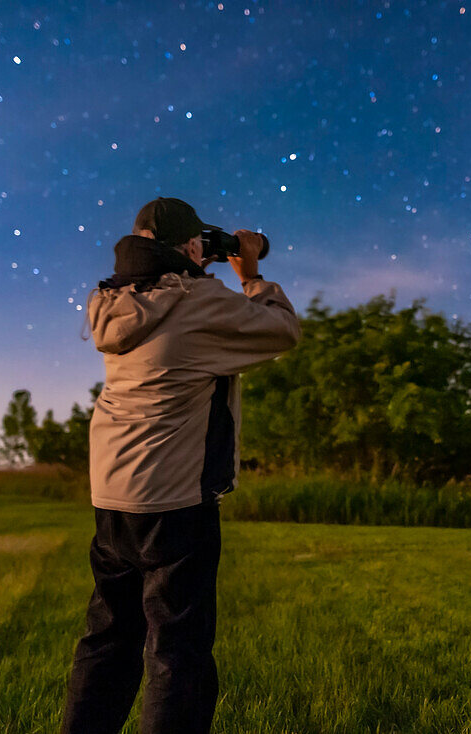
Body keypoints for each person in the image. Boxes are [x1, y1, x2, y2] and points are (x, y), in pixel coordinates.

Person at [61, 197, 301, 733]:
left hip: (112, 497)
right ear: (190, 244)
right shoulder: (198, 300)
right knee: (178, 654)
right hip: (175, 502)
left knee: (108, 641)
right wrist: (251, 272)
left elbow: (165, 296)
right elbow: (282, 330)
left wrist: (190, 267)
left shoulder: (112, 299)